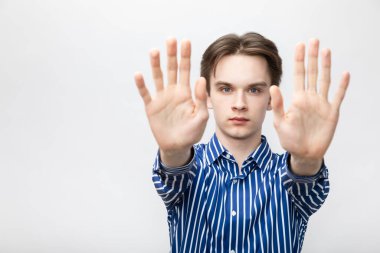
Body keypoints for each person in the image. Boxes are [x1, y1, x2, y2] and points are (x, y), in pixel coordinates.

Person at [134, 32, 350, 253]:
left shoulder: (288, 178)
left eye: (254, 89)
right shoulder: (189, 169)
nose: (239, 104)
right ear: (208, 95)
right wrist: (172, 151)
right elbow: (174, 173)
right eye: (225, 89)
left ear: (271, 98)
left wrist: (307, 159)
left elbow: (304, 180)